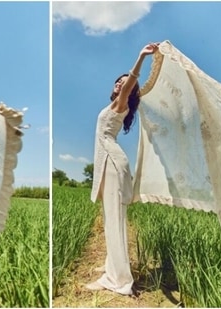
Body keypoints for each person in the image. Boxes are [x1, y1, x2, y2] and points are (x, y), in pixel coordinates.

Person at [86, 42, 160, 295]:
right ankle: (113, 266)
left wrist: (141, 57)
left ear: (130, 90)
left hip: (113, 164)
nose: (120, 83)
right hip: (110, 162)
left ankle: (118, 279)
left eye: (125, 83)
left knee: (114, 220)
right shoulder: (114, 105)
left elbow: (132, 82)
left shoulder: (121, 103)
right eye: (118, 81)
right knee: (110, 219)